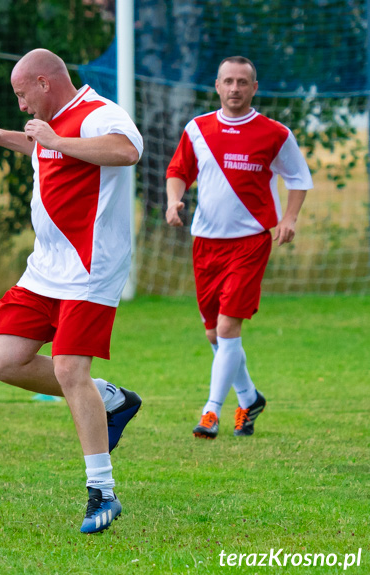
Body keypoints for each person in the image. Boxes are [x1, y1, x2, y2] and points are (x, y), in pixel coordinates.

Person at [0, 49, 144, 534]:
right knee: (4, 361)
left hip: (92, 267)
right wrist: (4, 138)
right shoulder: (52, 125)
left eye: (23, 95)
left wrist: (54, 138)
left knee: (70, 369)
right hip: (45, 268)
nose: (22, 107)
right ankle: (111, 399)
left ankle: (102, 494)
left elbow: (127, 152)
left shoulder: (99, 112)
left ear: (45, 83)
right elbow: (47, 149)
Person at [165, 56, 312, 440]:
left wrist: (290, 219)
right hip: (205, 244)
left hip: (250, 242)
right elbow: (178, 171)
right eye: (228, 81)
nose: (234, 88)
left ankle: (211, 412)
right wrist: (172, 201)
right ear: (217, 86)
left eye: (242, 82)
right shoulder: (197, 129)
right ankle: (249, 397)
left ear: (254, 87)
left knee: (229, 327)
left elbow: (298, 178)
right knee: (215, 334)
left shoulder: (274, 133)